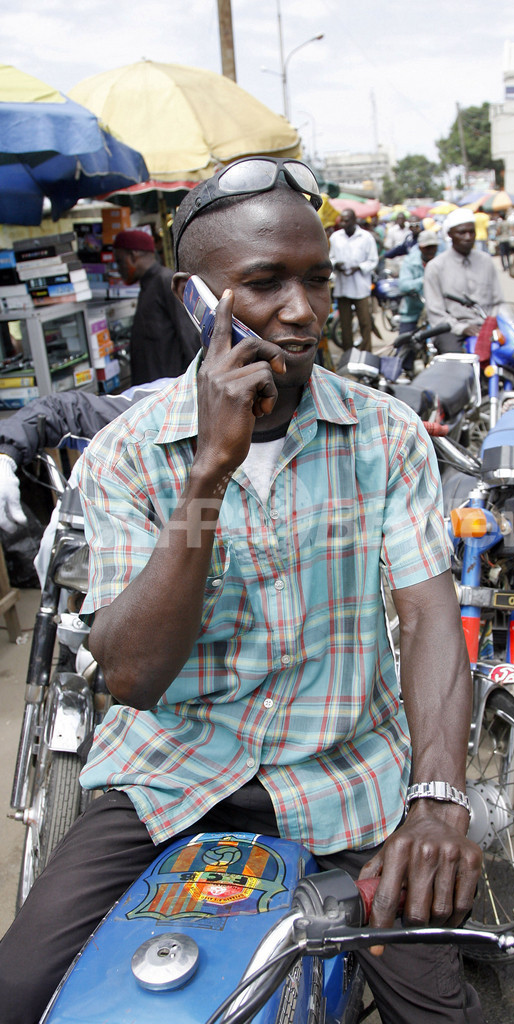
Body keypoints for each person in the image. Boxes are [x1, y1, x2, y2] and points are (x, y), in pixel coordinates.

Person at [0, 157, 483, 1024]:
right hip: (169, 782)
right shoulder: (129, 456)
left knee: (434, 1009)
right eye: (264, 284)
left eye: (317, 280)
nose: (302, 312)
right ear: (197, 301)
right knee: (19, 990)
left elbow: (428, 620)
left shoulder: (385, 435)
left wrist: (437, 797)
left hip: (352, 779)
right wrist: (208, 478)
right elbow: (134, 677)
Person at [113, 228, 200, 384]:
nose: (118, 269)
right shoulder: (148, 285)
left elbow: (190, 337)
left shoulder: (165, 281)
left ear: (133, 256)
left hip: (170, 388)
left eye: (119, 261)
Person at [423, 207, 503, 352]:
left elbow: (498, 301)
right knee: (456, 366)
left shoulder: (486, 261)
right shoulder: (436, 267)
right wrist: (462, 328)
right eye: (462, 232)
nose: (468, 237)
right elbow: (436, 312)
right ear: (450, 234)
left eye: (471, 232)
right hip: (451, 330)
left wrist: (491, 323)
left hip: (487, 326)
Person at [328, 208, 378, 351]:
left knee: (364, 321)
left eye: (346, 220)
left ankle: (366, 351)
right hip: (343, 285)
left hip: (360, 286)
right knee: (345, 324)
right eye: (341, 220)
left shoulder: (366, 237)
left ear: (354, 221)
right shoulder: (336, 237)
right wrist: (336, 264)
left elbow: (373, 260)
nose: (343, 223)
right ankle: (348, 353)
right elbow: (330, 258)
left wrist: (359, 267)